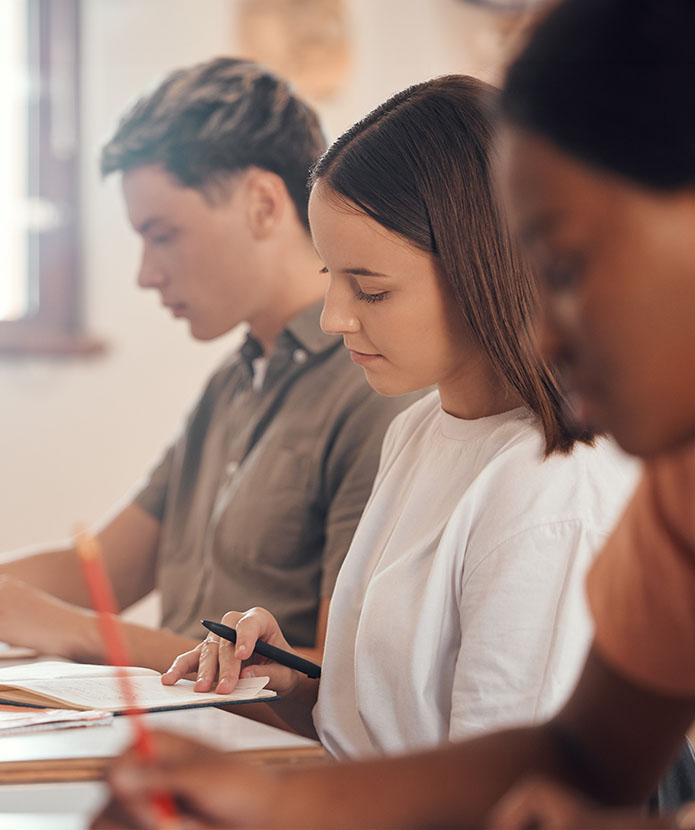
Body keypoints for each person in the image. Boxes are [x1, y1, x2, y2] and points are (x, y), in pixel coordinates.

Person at [94, 1, 695, 828]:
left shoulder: (550, 486)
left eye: (567, 265)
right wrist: (275, 776)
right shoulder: (429, 431)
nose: (548, 328)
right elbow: (572, 757)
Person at [0, 57, 416, 672]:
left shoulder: (376, 386)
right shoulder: (233, 382)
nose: (146, 273)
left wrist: (80, 634)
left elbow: (342, 678)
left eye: (163, 235)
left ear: (263, 204)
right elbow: (101, 573)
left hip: (262, 757)